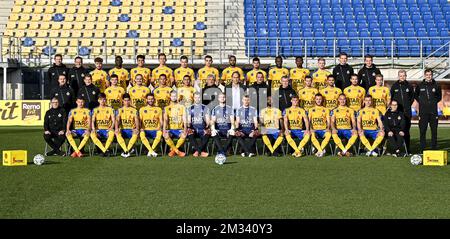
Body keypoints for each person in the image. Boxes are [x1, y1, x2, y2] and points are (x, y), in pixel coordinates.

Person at [415, 69, 442, 152]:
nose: (428, 76)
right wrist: (423, 103)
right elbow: (416, 96)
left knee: (434, 131)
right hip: (423, 112)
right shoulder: (420, 85)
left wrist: (432, 103)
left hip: (433, 112)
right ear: (424, 75)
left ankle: (434, 147)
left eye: (430, 74)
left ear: (432, 75)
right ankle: (422, 148)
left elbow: (439, 97)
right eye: (427, 74)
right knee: (422, 130)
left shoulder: (437, 85)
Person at [390, 70, 414, 153]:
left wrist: (407, 106)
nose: (402, 77)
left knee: (406, 131)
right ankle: (397, 149)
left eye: (404, 75)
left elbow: (412, 98)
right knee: (397, 130)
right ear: (398, 76)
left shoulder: (409, 86)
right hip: (397, 113)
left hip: (407, 112)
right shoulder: (394, 86)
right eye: (400, 76)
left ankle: (408, 149)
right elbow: (392, 98)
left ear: (406, 76)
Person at [163, 91, 187, 157]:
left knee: (184, 135)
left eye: (175, 96)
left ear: (177, 97)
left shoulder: (182, 107)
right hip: (170, 129)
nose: (174, 97)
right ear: (170, 97)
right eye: (172, 96)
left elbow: (184, 118)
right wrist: (164, 130)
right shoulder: (166, 108)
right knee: (166, 135)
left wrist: (185, 129)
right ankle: (177, 151)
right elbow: (165, 120)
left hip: (179, 129)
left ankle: (173, 150)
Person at [115, 93, 140, 158]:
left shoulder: (134, 110)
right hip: (123, 130)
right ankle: (126, 150)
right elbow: (117, 120)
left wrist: (137, 129)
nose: (126, 102)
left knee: (135, 133)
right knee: (117, 133)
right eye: (125, 100)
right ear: (122, 101)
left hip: (131, 130)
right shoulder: (119, 110)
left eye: (128, 100)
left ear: (130, 100)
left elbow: (137, 120)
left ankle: (126, 151)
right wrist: (116, 128)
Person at [187, 93, 211, 157]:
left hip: (202, 129)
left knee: (208, 132)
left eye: (199, 97)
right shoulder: (190, 108)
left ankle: (197, 151)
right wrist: (189, 125)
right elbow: (189, 121)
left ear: (201, 98)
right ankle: (201, 152)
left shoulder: (205, 108)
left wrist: (207, 125)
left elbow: (207, 120)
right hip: (194, 128)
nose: (197, 99)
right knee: (189, 132)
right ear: (193, 98)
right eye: (196, 97)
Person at [139, 93, 163, 157]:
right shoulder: (142, 109)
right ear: (146, 100)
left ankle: (150, 151)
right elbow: (140, 121)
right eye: (149, 99)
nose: (150, 100)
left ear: (154, 100)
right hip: (145, 130)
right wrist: (140, 128)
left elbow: (161, 121)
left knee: (160, 133)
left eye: (152, 99)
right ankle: (152, 151)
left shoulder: (159, 109)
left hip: (155, 130)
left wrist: (160, 127)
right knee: (141, 134)